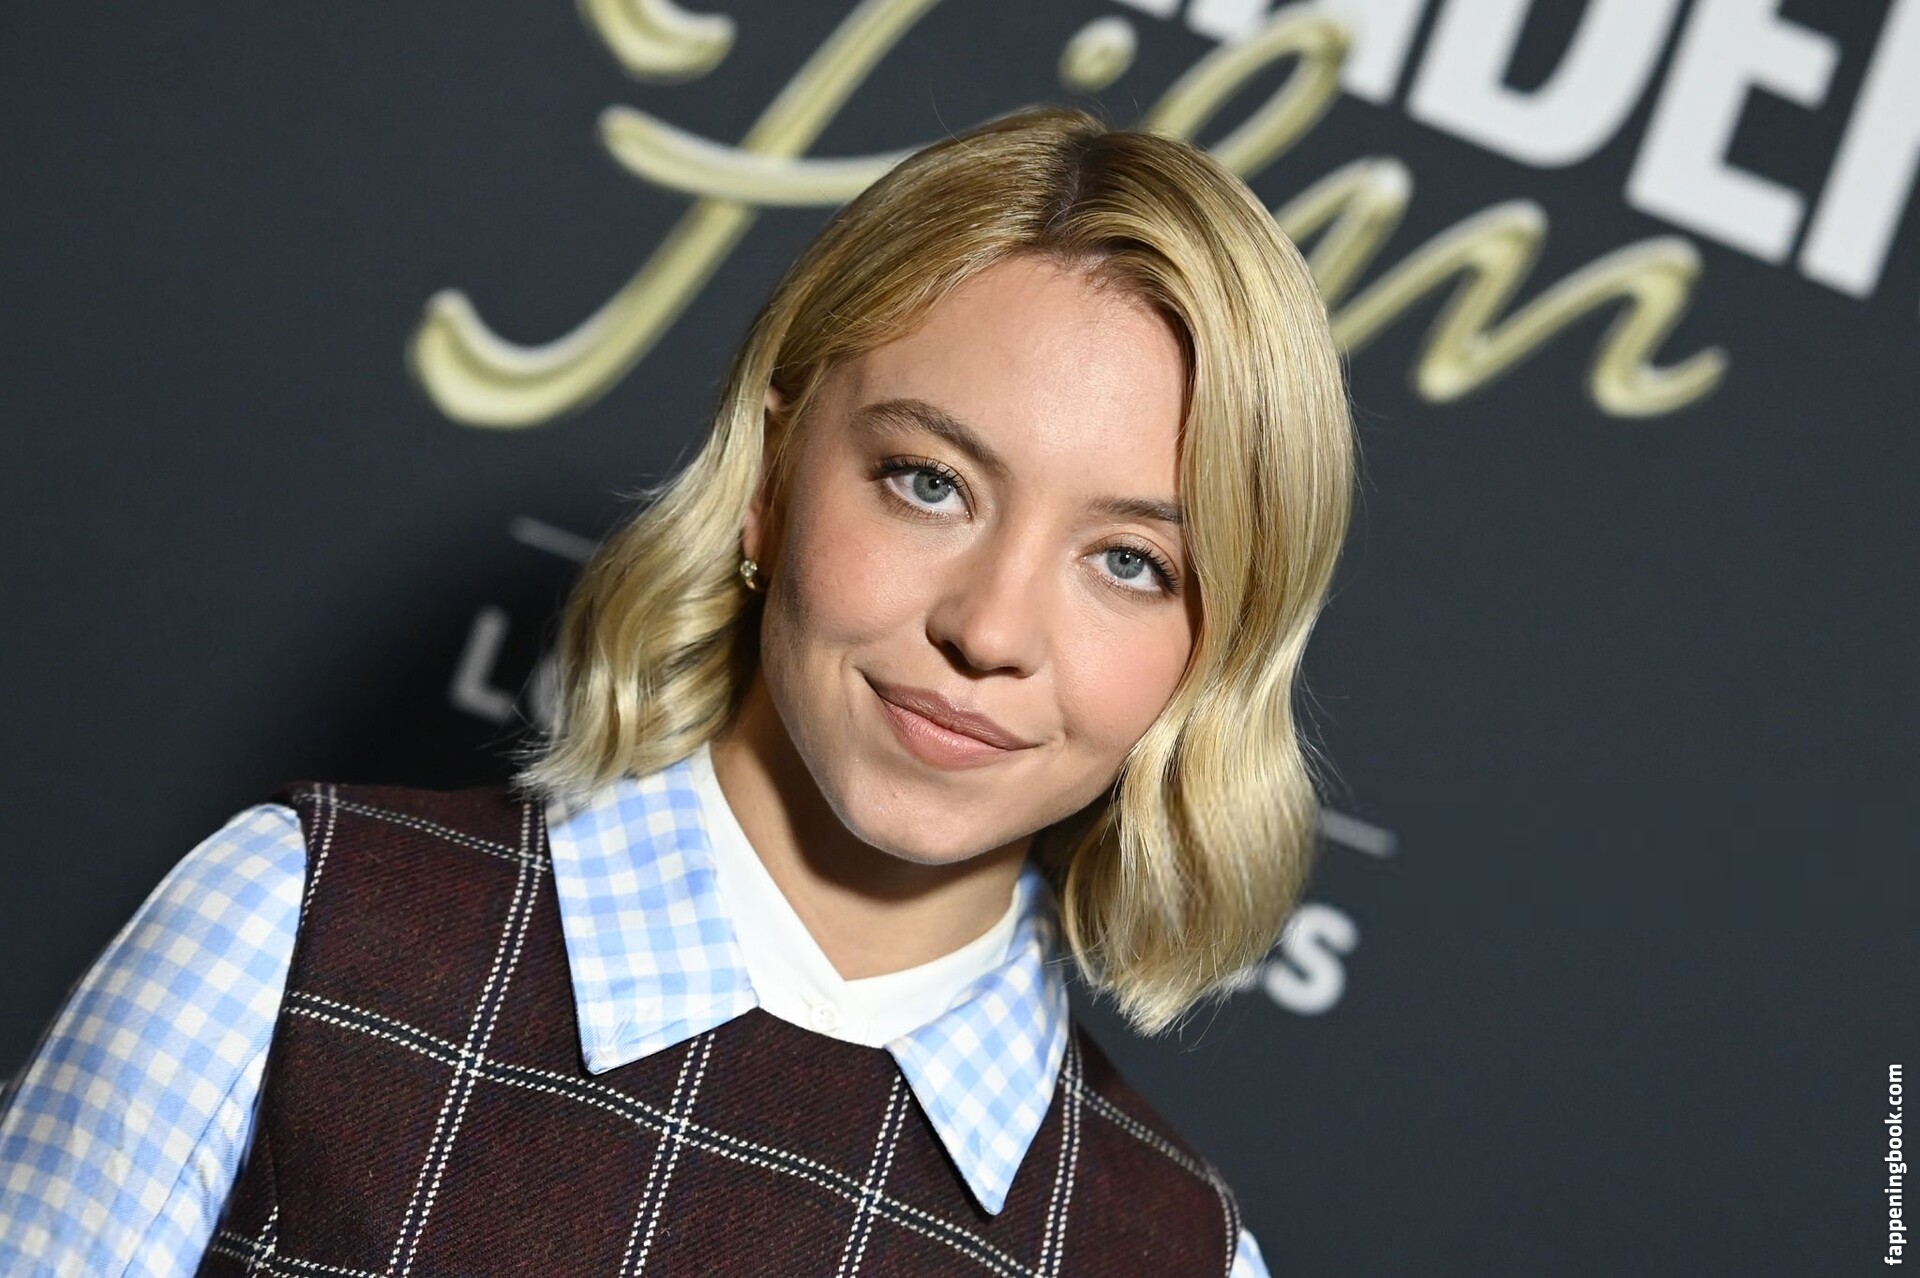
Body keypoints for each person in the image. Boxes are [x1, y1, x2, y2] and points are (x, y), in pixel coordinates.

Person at [0, 105, 1355, 1276]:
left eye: (1129, 562)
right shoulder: (292, 933)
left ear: (1215, 648)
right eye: (929, 482)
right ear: (771, 474)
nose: (991, 628)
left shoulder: (1177, 1254)